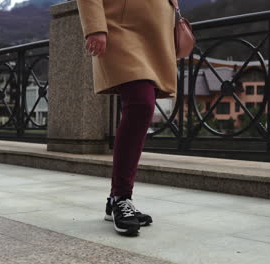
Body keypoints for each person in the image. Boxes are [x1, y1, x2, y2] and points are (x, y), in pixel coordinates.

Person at [75, 0, 178, 236]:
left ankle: (117, 199)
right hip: (118, 26)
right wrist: (94, 26)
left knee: (141, 104)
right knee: (141, 103)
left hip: (156, 33)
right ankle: (122, 196)